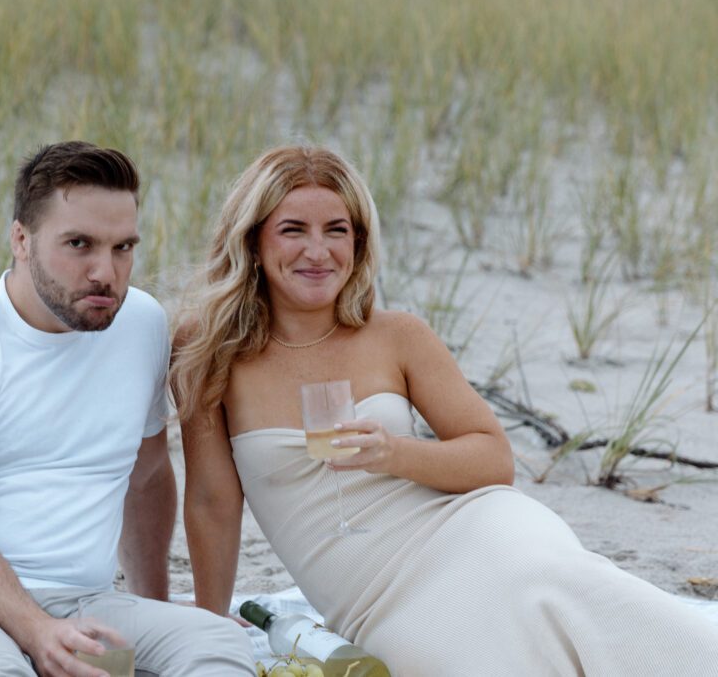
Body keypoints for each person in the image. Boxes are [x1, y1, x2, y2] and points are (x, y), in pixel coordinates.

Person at [171, 144, 718, 676]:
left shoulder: (398, 335)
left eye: (337, 230)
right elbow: (212, 499)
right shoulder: (209, 348)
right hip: (377, 597)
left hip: (476, 529)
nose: (318, 252)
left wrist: (392, 452)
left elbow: (492, 458)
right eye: (294, 230)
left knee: (551, 585)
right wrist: (211, 616)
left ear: (359, 243)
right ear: (254, 240)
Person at [0, 141, 255, 677]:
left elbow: (147, 476)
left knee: (216, 647)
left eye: (122, 248)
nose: (104, 272)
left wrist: (152, 604)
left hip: (80, 602)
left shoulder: (140, 324)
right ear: (20, 239)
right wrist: (37, 631)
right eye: (79, 244)